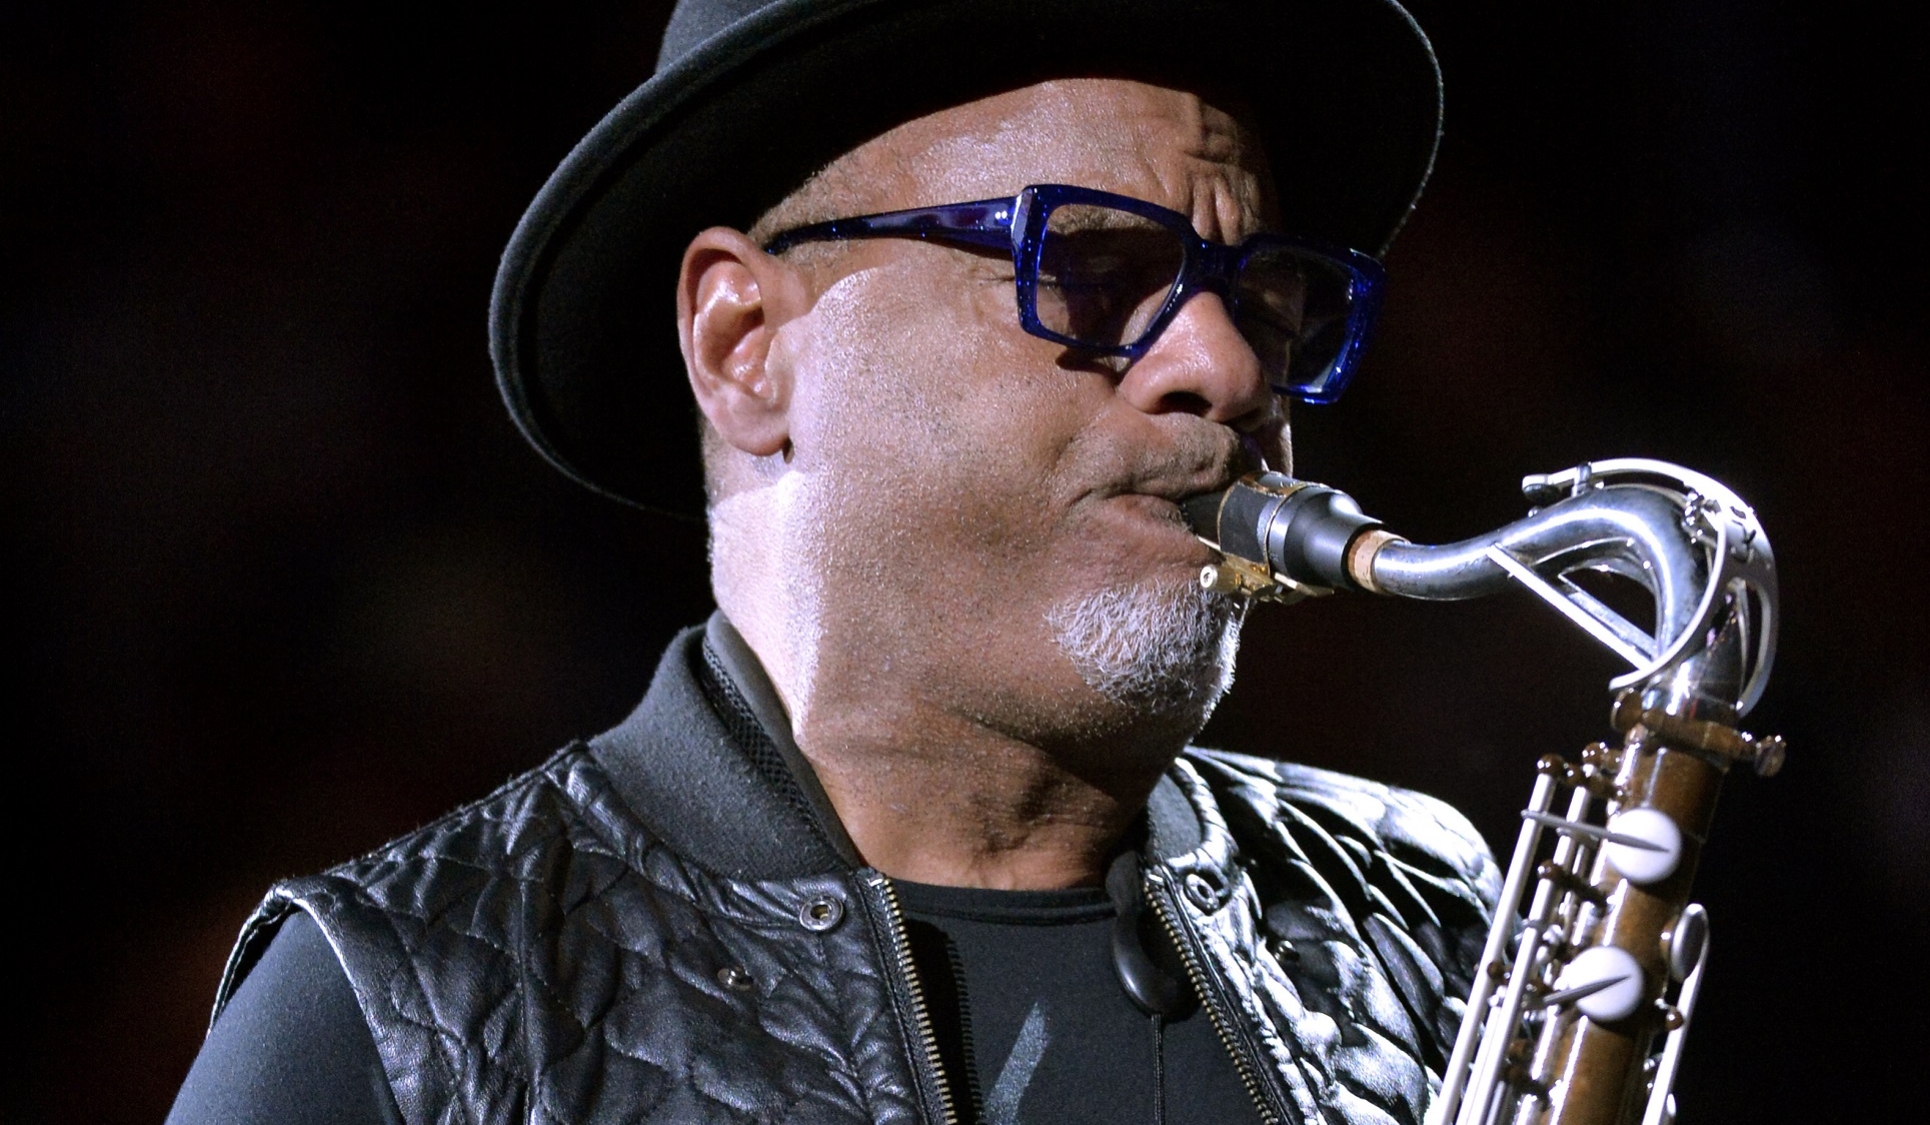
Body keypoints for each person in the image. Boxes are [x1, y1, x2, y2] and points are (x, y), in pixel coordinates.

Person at [168, 2, 1498, 1123]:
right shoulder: (398, 1019)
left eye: (1262, 296)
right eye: (1093, 267)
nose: (1227, 365)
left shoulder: (1428, 910)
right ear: (744, 343)